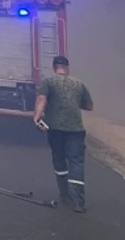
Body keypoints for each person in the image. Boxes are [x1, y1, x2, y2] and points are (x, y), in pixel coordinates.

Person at [33, 55, 94, 213]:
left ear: (54, 67)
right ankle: (78, 203)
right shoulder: (79, 84)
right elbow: (89, 106)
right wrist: (74, 102)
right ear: (67, 68)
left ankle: (64, 194)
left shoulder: (48, 81)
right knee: (76, 162)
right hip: (76, 130)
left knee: (59, 159)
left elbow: (41, 99)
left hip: (55, 130)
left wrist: (37, 117)